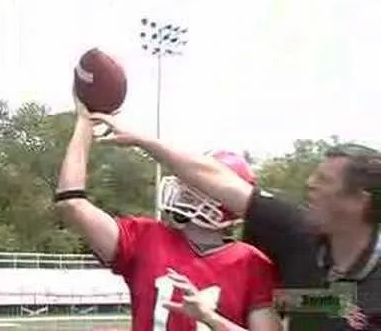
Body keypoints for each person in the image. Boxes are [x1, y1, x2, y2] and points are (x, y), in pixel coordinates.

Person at [89, 112, 381, 331]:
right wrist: (143, 140)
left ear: (359, 201)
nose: (310, 184)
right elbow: (216, 179)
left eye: (324, 181)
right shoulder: (297, 233)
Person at [54, 98, 282, 331]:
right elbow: (72, 203)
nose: (185, 186)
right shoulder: (146, 238)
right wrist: (84, 123)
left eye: (199, 184)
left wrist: (211, 319)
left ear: (226, 200)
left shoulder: (252, 263)